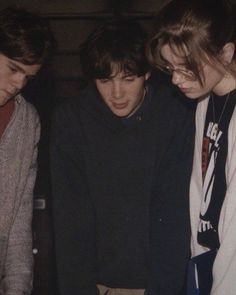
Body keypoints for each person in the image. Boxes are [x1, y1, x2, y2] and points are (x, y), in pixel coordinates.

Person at [50, 19, 195, 295]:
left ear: (148, 73)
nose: (117, 94)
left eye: (129, 79)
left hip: (155, 284)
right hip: (94, 284)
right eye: (105, 80)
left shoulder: (174, 117)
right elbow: (70, 223)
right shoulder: (71, 121)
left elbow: (174, 218)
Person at [148, 0, 236, 294]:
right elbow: (200, 188)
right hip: (210, 259)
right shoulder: (204, 102)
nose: (175, 79)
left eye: (186, 68)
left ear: (225, 52)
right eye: (171, 67)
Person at [0, 6, 54, 295]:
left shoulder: (27, 121)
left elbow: (21, 219)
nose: (19, 84)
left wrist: (18, 288)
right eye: (13, 69)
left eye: (28, 77)